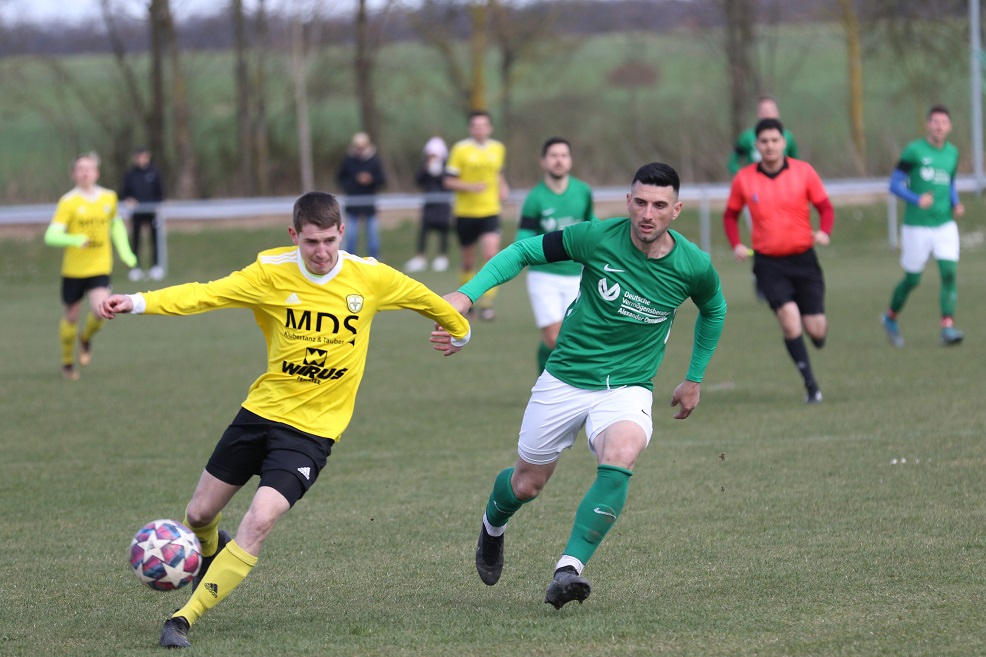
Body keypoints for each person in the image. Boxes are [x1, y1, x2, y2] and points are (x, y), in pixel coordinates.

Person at [98, 191, 471, 649]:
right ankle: (212, 551)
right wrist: (135, 301)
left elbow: (430, 301)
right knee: (198, 514)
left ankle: (183, 618)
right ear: (294, 235)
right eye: (311, 241)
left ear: (342, 233)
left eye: (330, 241)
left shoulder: (369, 277)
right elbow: (204, 295)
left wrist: (461, 332)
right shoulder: (269, 273)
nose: (321, 252)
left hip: (313, 432)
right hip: (260, 413)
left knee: (260, 520)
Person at [434, 162, 726, 609]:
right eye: (641, 202)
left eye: (660, 205)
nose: (648, 213)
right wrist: (467, 294)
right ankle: (493, 527)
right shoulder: (596, 236)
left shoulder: (693, 266)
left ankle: (568, 570)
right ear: (629, 202)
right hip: (566, 376)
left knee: (622, 454)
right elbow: (523, 251)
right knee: (527, 484)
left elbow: (714, 310)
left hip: (628, 385)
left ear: (677, 210)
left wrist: (694, 377)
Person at [723, 117, 834, 403]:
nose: (770, 146)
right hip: (768, 263)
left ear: (784, 142)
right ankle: (811, 385)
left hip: (804, 260)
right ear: (756, 146)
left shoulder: (804, 172)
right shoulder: (745, 178)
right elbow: (730, 215)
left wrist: (824, 231)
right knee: (788, 320)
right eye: (764, 141)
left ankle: (817, 337)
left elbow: (825, 207)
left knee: (816, 329)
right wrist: (736, 244)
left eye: (775, 140)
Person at [44, 152, 137, 381]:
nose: (85, 172)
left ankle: (85, 338)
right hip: (74, 270)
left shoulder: (109, 198)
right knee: (71, 316)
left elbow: (115, 226)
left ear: (97, 173)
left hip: (99, 266)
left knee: (102, 310)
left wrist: (125, 252)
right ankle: (67, 362)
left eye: (89, 168)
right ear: (74, 174)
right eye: (80, 168)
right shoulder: (68, 201)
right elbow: (51, 235)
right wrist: (74, 240)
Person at [880, 104, 965, 347]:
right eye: (935, 122)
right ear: (928, 124)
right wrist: (916, 199)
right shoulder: (914, 151)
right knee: (913, 279)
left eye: (943, 123)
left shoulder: (952, 153)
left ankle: (947, 327)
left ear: (949, 127)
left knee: (949, 273)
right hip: (916, 225)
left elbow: (950, 183)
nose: (939, 126)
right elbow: (894, 185)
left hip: (944, 224)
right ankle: (890, 317)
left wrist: (955, 203)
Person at [515, 137, 596, 373]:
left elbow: (593, 227)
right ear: (543, 161)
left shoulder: (583, 191)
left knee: (573, 337)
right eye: (553, 155)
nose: (559, 160)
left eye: (564, 155)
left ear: (570, 161)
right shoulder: (535, 198)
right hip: (544, 276)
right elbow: (523, 238)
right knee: (554, 338)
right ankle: (549, 382)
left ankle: (551, 381)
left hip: (577, 275)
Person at [444, 110, 509, 320]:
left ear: (490, 128)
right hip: (465, 213)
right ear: (470, 128)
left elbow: (498, 173)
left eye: (483, 125)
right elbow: (448, 181)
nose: (480, 129)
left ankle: (487, 304)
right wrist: (470, 186)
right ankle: (467, 301)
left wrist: (503, 186)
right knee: (468, 263)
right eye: (475, 125)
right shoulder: (460, 149)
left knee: (491, 256)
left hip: (490, 210)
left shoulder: (498, 148)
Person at [405, 136, 453, 273]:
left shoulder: (447, 166)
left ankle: (442, 257)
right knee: (424, 230)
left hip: (443, 204)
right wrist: (426, 168)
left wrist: (440, 172)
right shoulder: (425, 165)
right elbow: (418, 181)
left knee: (444, 230)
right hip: (429, 204)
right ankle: (421, 258)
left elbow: (448, 182)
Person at [336, 132, 386, 258]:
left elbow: (382, 180)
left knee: (373, 239)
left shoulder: (374, 160)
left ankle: (375, 263)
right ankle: (349, 261)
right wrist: (354, 183)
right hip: (353, 204)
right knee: (351, 237)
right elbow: (340, 179)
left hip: (369, 204)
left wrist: (371, 180)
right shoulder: (348, 160)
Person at [120, 146, 166, 281]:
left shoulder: (155, 173)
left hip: (152, 212)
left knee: (155, 239)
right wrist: (129, 200)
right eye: (139, 156)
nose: (141, 159)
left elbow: (160, 193)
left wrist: (157, 206)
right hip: (136, 212)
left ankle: (156, 267)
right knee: (135, 240)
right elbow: (123, 193)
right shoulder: (130, 174)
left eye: (144, 156)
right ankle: (135, 268)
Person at [727, 95, 799, 176]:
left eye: (771, 110)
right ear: (758, 113)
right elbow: (732, 163)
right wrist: (744, 176)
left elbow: (796, 162)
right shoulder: (746, 137)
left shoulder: (788, 136)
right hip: (754, 184)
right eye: (764, 110)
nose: (767, 113)